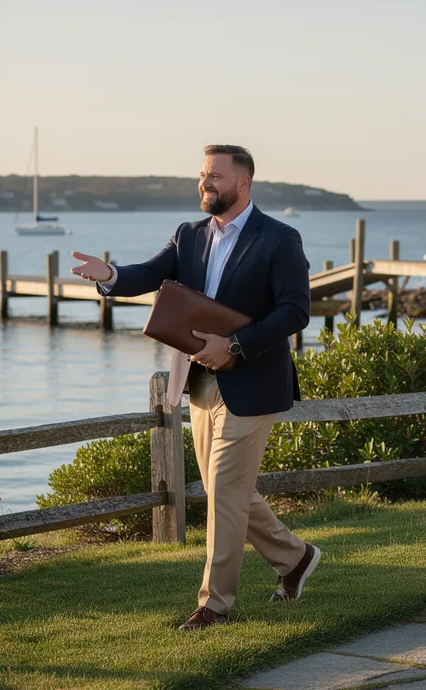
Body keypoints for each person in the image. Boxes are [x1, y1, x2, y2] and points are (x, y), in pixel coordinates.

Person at [71, 144, 320, 632]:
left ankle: (215, 606)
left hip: (254, 381)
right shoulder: (189, 235)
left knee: (225, 491)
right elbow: (150, 273)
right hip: (202, 382)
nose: (205, 183)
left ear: (243, 183)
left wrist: (236, 345)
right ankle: (295, 558)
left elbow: (295, 311)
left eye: (215, 176)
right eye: (203, 175)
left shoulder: (280, 238)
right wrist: (111, 275)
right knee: (226, 490)